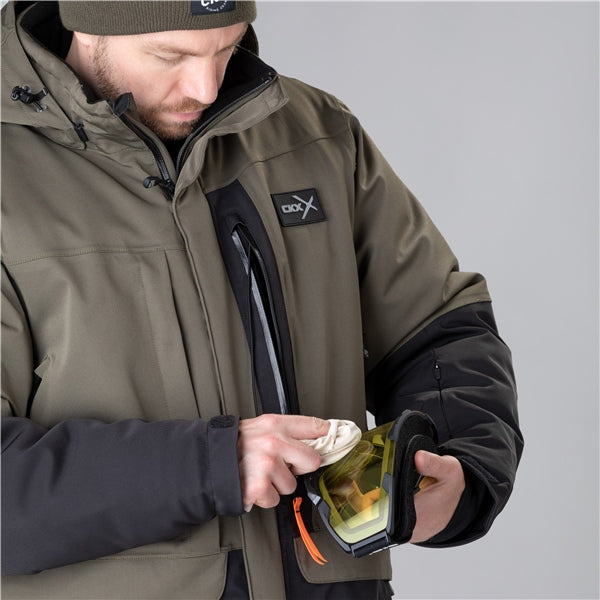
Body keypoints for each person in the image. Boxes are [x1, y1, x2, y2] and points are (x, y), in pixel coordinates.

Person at [0, 1, 523, 598]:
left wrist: (457, 465)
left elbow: (438, 327)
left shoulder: (315, 134)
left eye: (227, 47)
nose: (205, 87)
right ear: (88, 22)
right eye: (170, 56)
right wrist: (210, 465)